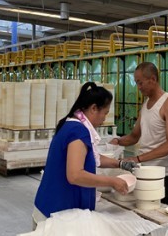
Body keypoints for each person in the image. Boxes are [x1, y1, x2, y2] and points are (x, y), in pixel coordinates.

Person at [34, 82, 136, 221]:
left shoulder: (72, 124)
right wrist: (112, 181)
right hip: (58, 213)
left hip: (54, 207)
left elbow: (91, 157)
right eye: (105, 113)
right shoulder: (78, 131)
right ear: (94, 108)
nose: (104, 119)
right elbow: (75, 175)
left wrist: (120, 164)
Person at [110, 62, 168, 205]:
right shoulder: (145, 105)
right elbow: (134, 136)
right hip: (143, 170)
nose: (138, 87)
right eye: (137, 83)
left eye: (140, 83)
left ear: (153, 79)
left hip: (163, 175)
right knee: (144, 210)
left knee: (163, 214)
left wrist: (138, 158)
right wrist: (117, 141)